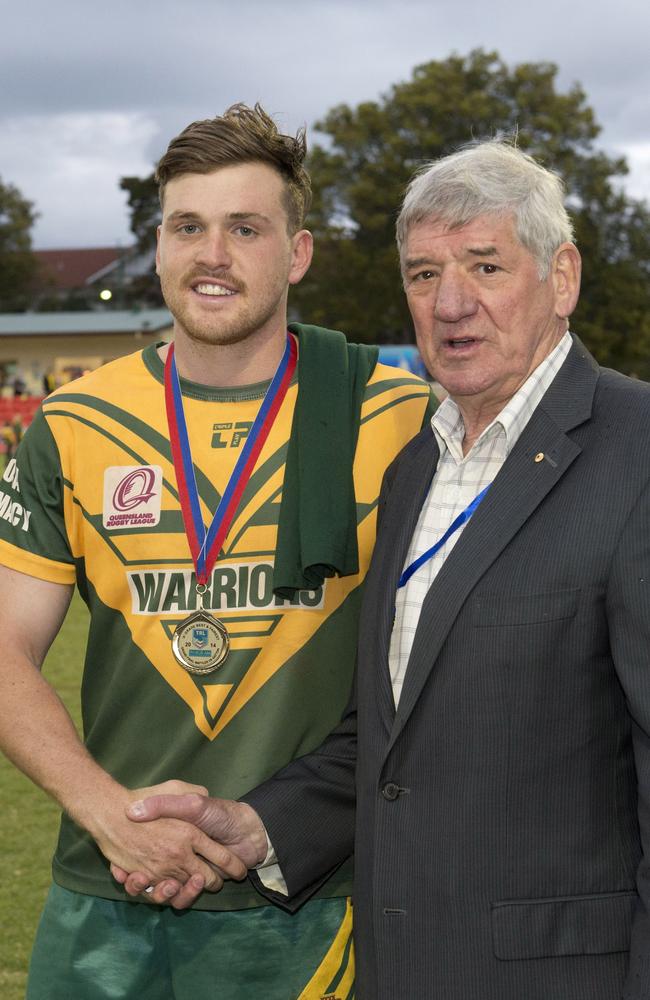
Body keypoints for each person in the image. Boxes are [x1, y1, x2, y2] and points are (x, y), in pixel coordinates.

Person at [119, 140, 650, 1000]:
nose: (451, 303)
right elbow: (395, 739)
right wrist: (254, 829)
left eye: (485, 265)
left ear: (562, 278)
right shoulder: (416, 467)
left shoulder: (636, 452)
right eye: (423, 273)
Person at [0, 103, 433, 1000]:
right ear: (158, 248)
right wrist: (109, 816)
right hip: (106, 891)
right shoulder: (74, 425)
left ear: (297, 253)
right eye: (188, 227)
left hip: (309, 899)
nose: (213, 255)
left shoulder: (392, 418)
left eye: (246, 228)